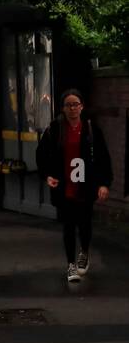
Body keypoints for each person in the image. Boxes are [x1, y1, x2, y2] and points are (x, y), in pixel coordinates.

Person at [37, 88, 113, 283]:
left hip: (85, 185)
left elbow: (103, 158)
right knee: (68, 225)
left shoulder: (91, 129)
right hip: (65, 185)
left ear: (82, 106)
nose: (72, 109)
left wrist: (104, 183)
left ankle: (84, 252)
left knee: (85, 223)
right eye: (68, 105)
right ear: (63, 108)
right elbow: (42, 154)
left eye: (75, 104)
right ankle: (70, 265)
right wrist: (48, 176)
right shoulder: (55, 129)